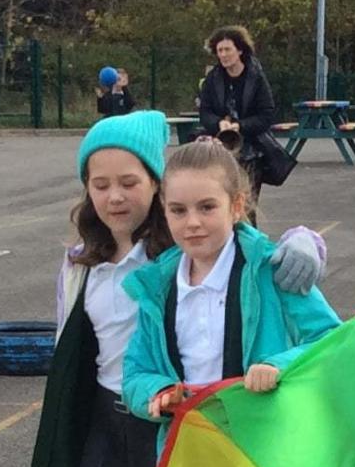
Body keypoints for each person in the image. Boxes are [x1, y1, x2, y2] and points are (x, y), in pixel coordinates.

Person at [28, 112, 328, 467]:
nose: (115, 195)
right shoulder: (90, 264)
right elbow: (116, 356)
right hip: (126, 408)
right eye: (100, 184)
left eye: (129, 181)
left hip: (198, 423)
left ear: (153, 185)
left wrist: (307, 242)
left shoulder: (173, 255)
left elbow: (320, 324)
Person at [120, 136, 339, 427]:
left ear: (236, 206)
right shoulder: (157, 287)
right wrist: (157, 391)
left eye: (207, 207)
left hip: (263, 449)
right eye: (178, 210)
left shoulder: (271, 270)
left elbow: (332, 342)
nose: (193, 222)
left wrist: (280, 367)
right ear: (164, 209)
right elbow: (136, 372)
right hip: (190, 448)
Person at [195, 27, 281, 204]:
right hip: (220, 148)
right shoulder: (213, 78)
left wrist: (241, 126)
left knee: (247, 205)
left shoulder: (256, 77)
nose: (224, 54)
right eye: (220, 50)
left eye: (228, 49)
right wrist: (219, 123)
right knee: (221, 202)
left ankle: (248, 232)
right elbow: (205, 112)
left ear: (240, 50)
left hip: (251, 151)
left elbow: (267, 114)